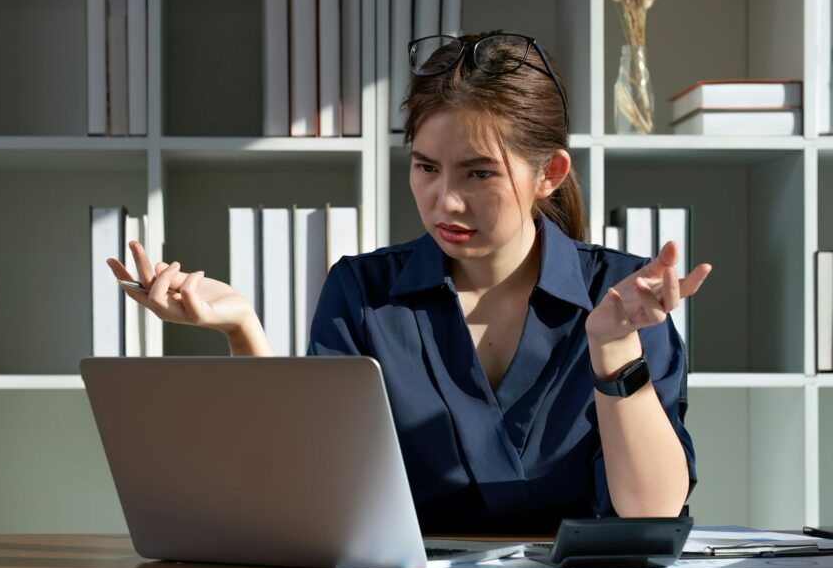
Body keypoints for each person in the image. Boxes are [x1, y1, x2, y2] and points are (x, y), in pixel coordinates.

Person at [105, 30, 712, 534]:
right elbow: (305, 492)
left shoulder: (623, 298)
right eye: (425, 167)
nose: (444, 200)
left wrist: (611, 347)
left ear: (549, 173)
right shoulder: (362, 294)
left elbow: (652, 513)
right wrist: (244, 331)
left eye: (478, 173)